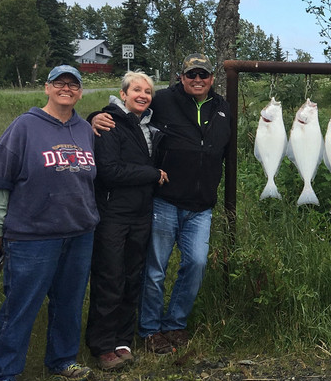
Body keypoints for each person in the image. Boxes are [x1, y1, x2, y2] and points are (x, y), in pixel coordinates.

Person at [93, 53, 230, 354]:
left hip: (202, 205)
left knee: (196, 263)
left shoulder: (222, 108)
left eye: (203, 75)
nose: (197, 80)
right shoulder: (163, 100)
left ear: (212, 79)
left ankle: (175, 323)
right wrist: (95, 117)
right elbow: (128, 110)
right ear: (181, 77)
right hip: (164, 201)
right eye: (191, 74)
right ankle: (150, 329)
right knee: (155, 269)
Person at [0, 65, 99, 381]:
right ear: (47, 88)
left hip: (79, 231)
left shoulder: (83, 129)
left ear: (80, 91)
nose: (66, 89)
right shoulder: (24, 127)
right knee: (21, 305)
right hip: (33, 235)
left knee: (69, 302)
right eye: (59, 83)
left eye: (72, 84)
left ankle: (62, 360)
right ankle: (0, 374)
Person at [85, 71, 168, 370]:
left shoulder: (147, 125)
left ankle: (123, 339)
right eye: (136, 90)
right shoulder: (108, 123)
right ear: (123, 94)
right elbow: (108, 170)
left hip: (141, 213)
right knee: (110, 277)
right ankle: (102, 345)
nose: (143, 95)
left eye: (148, 91)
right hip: (112, 214)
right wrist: (152, 174)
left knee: (133, 277)